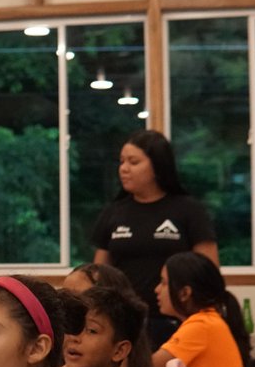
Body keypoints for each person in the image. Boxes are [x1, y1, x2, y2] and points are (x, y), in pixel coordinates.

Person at [90, 130, 218, 350]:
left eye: (133, 162)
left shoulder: (188, 210)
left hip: (176, 322)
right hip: (124, 323)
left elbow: (209, 272)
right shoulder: (114, 212)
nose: (124, 168)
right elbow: (98, 273)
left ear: (157, 166)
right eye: (121, 161)